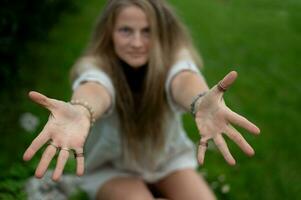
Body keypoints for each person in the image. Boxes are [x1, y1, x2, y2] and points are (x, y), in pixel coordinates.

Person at [23, 0, 260, 199]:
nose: (137, 42)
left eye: (147, 31)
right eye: (126, 30)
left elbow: (184, 79)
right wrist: (82, 110)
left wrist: (199, 100)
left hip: (167, 162)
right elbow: (95, 87)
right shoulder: (97, 65)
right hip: (111, 169)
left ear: (162, 34)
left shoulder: (173, 59)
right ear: (109, 32)